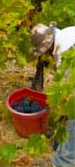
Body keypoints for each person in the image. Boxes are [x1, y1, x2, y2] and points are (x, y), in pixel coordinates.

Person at [30, 22, 75, 167]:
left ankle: (64, 161)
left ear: (47, 46)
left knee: (72, 115)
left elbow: (69, 93)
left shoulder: (65, 50)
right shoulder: (66, 33)